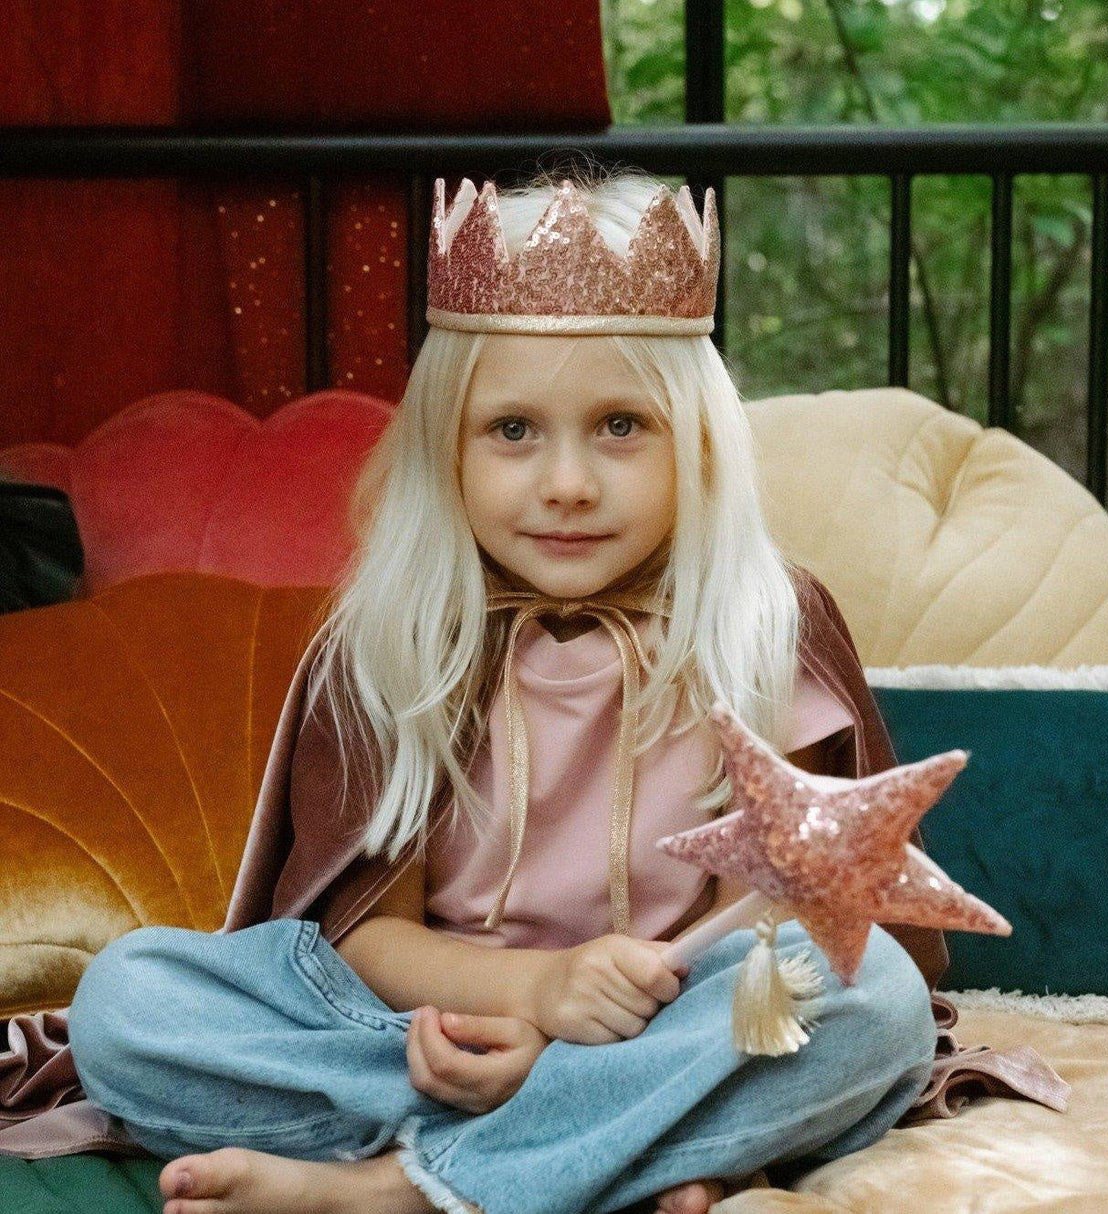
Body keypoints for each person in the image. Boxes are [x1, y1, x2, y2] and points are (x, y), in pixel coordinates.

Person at [62, 166, 943, 1214]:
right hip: (422, 1031)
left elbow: (765, 931)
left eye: (621, 425)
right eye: (513, 430)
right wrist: (534, 997)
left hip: (663, 1022)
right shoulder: (390, 636)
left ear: (700, 442)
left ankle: (401, 1187)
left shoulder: (762, 624)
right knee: (129, 1000)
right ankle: (620, 1145)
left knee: (866, 993)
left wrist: (587, 1046)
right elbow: (364, 934)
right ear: (447, 447)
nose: (567, 484)